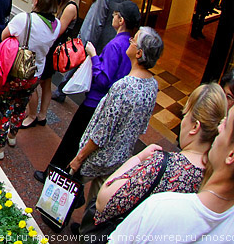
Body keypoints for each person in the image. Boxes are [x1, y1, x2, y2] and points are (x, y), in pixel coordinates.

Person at [85, 84, 226, 235]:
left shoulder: (161, 164)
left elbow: (103, 202)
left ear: (195, 127)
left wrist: (138, 158)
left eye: (185, 115)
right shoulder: (213, 178)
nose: (182, 122)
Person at [35, 0, 141, 184]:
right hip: (107, 102)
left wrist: (93, 56)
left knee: (71, 141)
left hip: (95, 102)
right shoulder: (129, 46)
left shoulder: (116, 45)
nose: (113, 17)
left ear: (121, 20)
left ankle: (53, 177)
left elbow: (103, 79)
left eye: (115, 15)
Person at [109, 98, 234, 241]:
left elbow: (104, 203)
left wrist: (137, 159)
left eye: (227, 124)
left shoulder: (160, 209)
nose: (219, 127)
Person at [71, 27, 162, 205]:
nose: (130, 41)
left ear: (139, 53)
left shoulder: (123, 87)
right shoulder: (153, 85)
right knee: (98, 199)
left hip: (100, 158)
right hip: (121, 157)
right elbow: (142, 126)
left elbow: (101, 134)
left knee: (76, 190)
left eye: (134, 40)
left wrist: (79, 158)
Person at [0, 0, 61, 161]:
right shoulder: (57, 24)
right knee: (21, 105)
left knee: (4, 106)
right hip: (35, 72)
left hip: (16, 70)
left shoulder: (24, 19)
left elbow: (4, 35)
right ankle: (13, 135)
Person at [53, 0, 131, 104]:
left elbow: (100, 16)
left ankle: (62, 90)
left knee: (80, 60)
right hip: (112, 34)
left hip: (98, 34)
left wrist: (89, 40)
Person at [21, 0, 79, 128]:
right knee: (45, 84)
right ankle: (41, 115)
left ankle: (34, 115)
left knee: (34, 83)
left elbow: (57, 31)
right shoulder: (58, 4)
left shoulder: (69, 7)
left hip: (52, 51)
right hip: (50, 49)